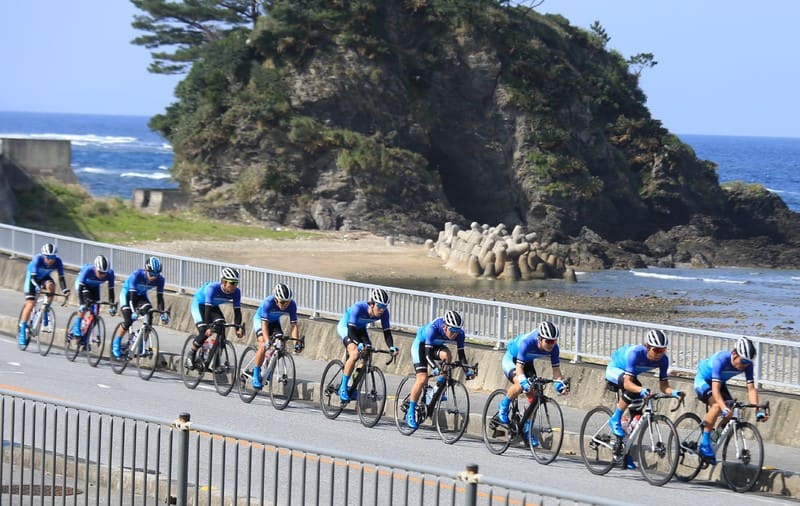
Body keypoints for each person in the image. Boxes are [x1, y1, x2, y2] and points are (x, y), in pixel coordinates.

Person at [604, 329, 684, 469]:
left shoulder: (663, 360)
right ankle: (615, 419)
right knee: (634, 389)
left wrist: (675, 392)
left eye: (663, 350)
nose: (660, 353)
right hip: (615, 370)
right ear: (647, 347)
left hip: (630, 376)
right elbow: (628, 382)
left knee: (636, 417)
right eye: (656, 350)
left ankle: (624, 452)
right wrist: (641, 390)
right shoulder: (635, 354)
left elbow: (664, 386)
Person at [693, 336, 769, 463]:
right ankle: (705, 443)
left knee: (730, 412)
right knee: (717, 406)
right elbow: (715, 390)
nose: (745, 365)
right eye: (743, 361)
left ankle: (713, 439)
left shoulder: (747, 364)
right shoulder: (721, 360)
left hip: (719, 382)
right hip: (703, 381)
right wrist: (723, 407)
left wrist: (758, 411)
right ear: (734, 354)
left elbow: (751, 389)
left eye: (748, 362)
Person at [496, 321, 568, 444]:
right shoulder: (527, 342)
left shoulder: (554, 348)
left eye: (554, 341)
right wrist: (524, 381)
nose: (552, 344)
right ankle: (503, 407)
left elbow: (556, 371)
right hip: (512, 360)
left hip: (527, 362)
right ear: (539, 339)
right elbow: (519, 368)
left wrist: (559, 385)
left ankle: (527, 429)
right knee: (520, 384)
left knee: (534, 397)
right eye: (549, 341)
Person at [405, 310, 475, 429]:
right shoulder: (433, 328)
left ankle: (436, 390)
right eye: (452, 331)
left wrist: (467, 371)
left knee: (447, 355)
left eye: (457, 331)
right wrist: (434, 367)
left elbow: (461, 355)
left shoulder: (459, 334)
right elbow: (427, 355)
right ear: (444, 326)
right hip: (421, 346)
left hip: (435, 346)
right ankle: (410, 413)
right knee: (422, 379)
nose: (454, 334)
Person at [335, 287, 399, 402]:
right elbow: (351, 331)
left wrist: (391, 347)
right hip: (347, 327)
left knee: (367, 356)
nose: (381, 310)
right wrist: (358, 344)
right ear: (372, 304)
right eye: (379, 307)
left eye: (384, 308)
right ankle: (343, 387)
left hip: (360, 329)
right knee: (354, 354)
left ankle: (352, 385)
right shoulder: (358, 307)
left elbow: (387, 332)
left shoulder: (384, 313)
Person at [184, 266, 245, 368]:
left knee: (221, 325)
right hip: (200, 305)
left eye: (236, 283)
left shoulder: (236, 292)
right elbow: (207, 310)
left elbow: (237, 312)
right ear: (224, 282)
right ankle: (191, 354)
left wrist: (237, 328)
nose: (235, 286)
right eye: (232, 283)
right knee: (204, 331)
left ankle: (213, 360)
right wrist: (208, 327)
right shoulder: (212, 288)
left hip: (213, 307)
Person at [111, 257, 168, 358]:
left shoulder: (160, 280)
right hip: (128, 295)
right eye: (151, 274)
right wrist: (134, 312)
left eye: (156, 275)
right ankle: (116, 344)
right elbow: (132, 297)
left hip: (141, 296)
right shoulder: (136, 275)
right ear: (146, 270)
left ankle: (141, 344)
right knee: (128, 320)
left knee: (149, 314)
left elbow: (160, 298)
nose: (153, 278)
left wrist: (162, 313)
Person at [250, 283, 302, 389]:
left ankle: (268, 365)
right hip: (261, 321)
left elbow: (294, 326)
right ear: (276, 299)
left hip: (274, 322)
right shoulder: (268, 302)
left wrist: (296, 342)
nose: (285, 305)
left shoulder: (292, 305)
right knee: (263, 345)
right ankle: (256, 373)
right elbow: (264, 324)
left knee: (281, 344)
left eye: (287, 302)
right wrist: (267, 340)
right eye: (282, 302)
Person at [18, 243, 71, 346]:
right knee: (31, 303)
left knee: (51, 286)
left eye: (53, 257)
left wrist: (65, 290)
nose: (51, 260)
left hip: (44, 278)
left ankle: (46, 308)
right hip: (32, 279)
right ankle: (22, 328)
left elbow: (61, 278)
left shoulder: (58, 261)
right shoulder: (38, 259)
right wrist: (37, 287)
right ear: (43, 256)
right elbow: (33, 278)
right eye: (48, 257)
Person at [70, 255, 117, 343]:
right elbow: (80, 288)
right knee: (86, 304)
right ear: (95, 268)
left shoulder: (110, 274)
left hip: (95, 287)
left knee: (95, 313)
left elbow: (111, 290)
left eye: (105, 273)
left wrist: (111, 305)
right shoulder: (88, 270)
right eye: (100, 272)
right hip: (83, 285)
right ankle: (77, 327)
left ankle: (85, 337)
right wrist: (82, 304)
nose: (103, 275)